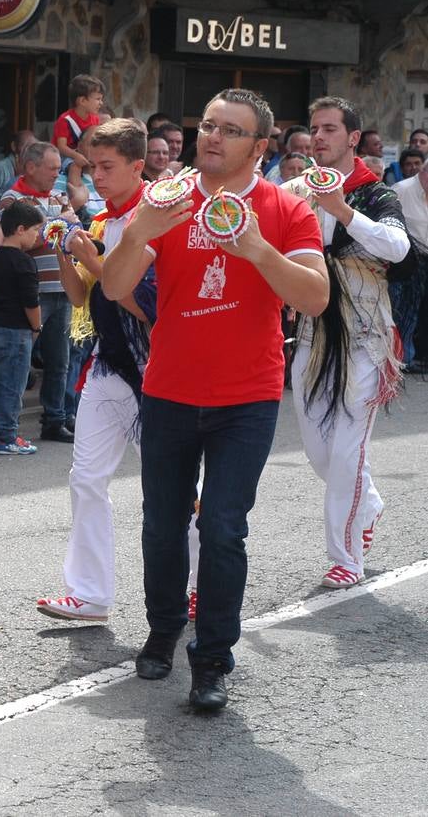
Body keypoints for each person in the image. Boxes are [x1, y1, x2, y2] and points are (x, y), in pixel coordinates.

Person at [102, 88, 328, 712]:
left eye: (230, 130)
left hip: (246, 399)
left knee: (224, 528)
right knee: (161, 526)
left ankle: (212, 660)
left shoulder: (285, 208)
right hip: (170, 390)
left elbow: (314, 297)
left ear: (260, 147)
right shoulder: (166, 201)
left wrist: (257, 248)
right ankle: (163, 628)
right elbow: (116, 286)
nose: (212, 137)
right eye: (207, 125)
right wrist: (137, 232)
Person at [33, 119, 199, 622]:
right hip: (109, 366)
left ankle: (200, 586)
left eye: (107, 167)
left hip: (160, 371)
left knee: (176, 490)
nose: (96, 176)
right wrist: (68, 253)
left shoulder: (165, 218)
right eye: (91, 165)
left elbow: (148, 306)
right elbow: (81, 296)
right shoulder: (104, 221)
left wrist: (96, 259)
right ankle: (89, 594)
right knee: (85, 477)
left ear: (136, 165)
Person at [285, 97, 409, 588]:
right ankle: (370, 501)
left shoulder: (375, 193)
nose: (318, 137)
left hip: (365, 336)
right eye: (314, 129)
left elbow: (398, 248)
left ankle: (346, 556)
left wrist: (342, 211)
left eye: (329, 129)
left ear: (352, 138)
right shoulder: (295, 191)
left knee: (345, 452)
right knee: (319, 451)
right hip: (314, 335)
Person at [0, 141, 77, 442]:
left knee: (61, 360)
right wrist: (60, 224)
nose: (58, 175)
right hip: (31, 289)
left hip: (61, 286)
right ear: (30, 167)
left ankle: (54, 419)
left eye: (60, 169)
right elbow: (23, 239)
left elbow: (72, 233)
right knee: (21, 358)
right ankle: (9, 424)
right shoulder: (12, 199)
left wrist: (59, 227)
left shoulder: (58, 195)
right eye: (53, 168)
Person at [0, 200, 43, 455]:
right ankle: (7, 436)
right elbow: (31, 301)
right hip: (15, 330)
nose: (36, 236)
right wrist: (37, 326)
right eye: (34, 230)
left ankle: (0, 431)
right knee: (13, 384)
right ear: (20, 229)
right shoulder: (23, 262)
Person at [390, 157, 428, 367]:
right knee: (405, 311)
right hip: (408, 261)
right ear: (424, 173)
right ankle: (401, 357)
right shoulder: (402, 189)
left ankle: (418, 356)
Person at [53, 74, 106, 173]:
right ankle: (76, 187)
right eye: (98, 99)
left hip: (83, 155)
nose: (101, 103)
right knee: (74, 166)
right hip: (65, 157)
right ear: (82, 101)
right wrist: (76, 156)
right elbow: (61, 147)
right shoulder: (65, 120)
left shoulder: (95, 119)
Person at [0, 129, 37, 194]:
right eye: (27, 146)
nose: (30, 151)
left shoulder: (33, 170)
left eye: (34, 147)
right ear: (14, 146)